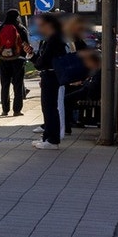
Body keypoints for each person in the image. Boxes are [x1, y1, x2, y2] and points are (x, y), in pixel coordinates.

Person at [32, 12, 69, 149]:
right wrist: (32, 56)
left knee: (50, 108)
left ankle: (53, 140)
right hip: (49, 75)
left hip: (52, 76)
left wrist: (35, 60)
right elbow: (41, 61)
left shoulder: (54, 39)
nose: (40, 28)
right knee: (47, 108)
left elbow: (43, 61)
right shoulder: (52, 38)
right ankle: (47, 137)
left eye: (42, 25)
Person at [0, 8, 31, 116]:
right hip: (18, 60)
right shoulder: (20, 28)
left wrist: (2, 54)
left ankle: (5, 110)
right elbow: (26, 44)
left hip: (4, 60)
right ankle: (17, 110)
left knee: (5, 85)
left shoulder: (1, 28)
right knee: (18, 85)